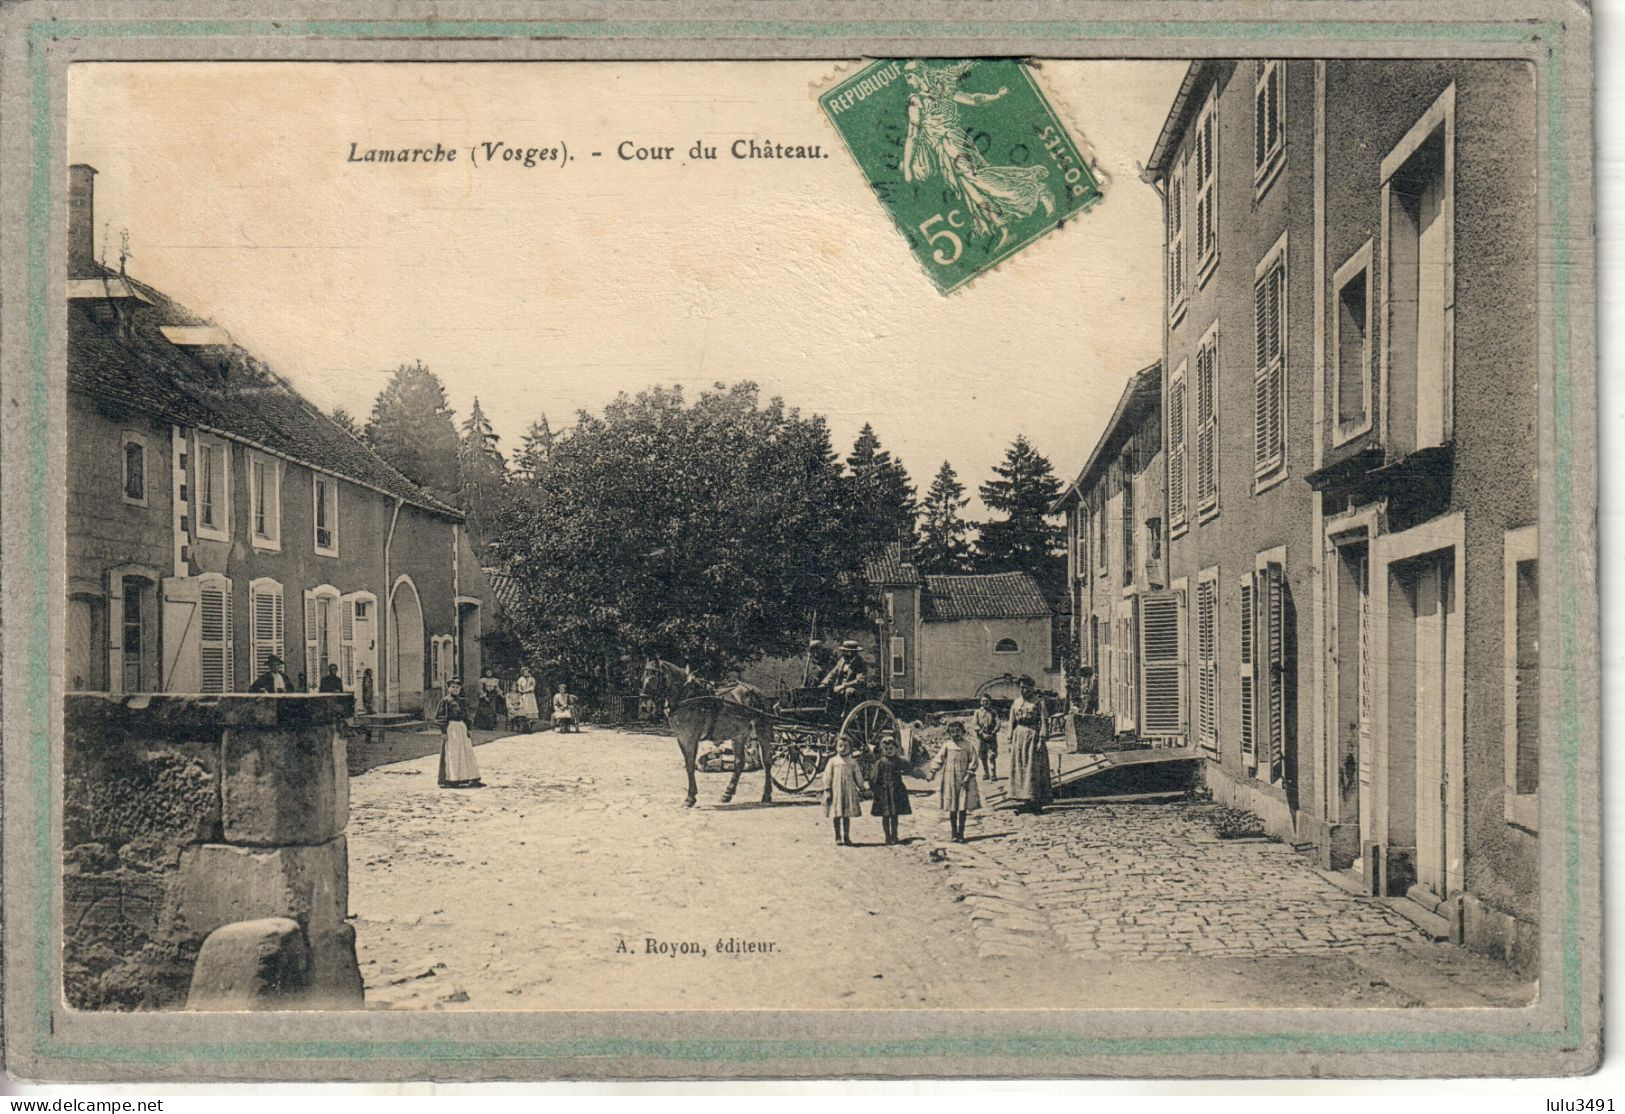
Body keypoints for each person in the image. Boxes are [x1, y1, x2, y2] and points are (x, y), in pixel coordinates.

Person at [923, 720, 982, 843]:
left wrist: (968, 775)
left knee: (962, 807)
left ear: (963, 731)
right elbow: (939, 759)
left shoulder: (968, 745)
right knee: (952, 807)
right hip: (950, 779)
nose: (955, 734)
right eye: (952, 732)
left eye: (958, 732)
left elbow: (974, 761)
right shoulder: (947, 745)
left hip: (965, 780)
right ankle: (954, 834)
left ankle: (961, 834)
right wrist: (932, 771)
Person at [1006, 675, 1053, 815]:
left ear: (1032, 688)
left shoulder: (1039, 702)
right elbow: (1011, 722)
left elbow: (1044, 722)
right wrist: (1010, 740)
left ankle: (1035, 801)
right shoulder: (1016, 702)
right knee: (1020, 768)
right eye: (1021, 688)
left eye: (1026, 688)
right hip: (1019, 737)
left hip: (1033, 736)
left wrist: (1041, 740)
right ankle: (1024, 800)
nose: (1023, 691)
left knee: (1033, 768)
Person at [434, 678, 483, 788]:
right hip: (451, 728)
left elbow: (467, 716)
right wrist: (443, 731)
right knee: (453, 752)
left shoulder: (462, 701)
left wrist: (469, 729)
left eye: (457, 687)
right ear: (449, 688)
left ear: (460, 689)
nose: (455, 689)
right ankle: (453, 779)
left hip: (462, 727)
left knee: (467, 752)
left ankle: (471, 778)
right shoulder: (445, 701)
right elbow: (439, 717)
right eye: (453, 687)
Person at [822, 736, 869, 847]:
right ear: (836, 747)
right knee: (836, 814)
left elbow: (858, 776)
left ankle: (846, 836)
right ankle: (838, 836)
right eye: (840, 746)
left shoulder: (852, 762)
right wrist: (827, 789)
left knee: (846, 815)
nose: (843, 748)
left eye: (846, 746)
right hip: (836, 791)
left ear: (851, 748)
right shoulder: (833, 761)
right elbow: (827, 775)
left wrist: (862, 787)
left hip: (848, 791)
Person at [868, 738, 913, 845]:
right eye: (886, 749)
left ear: (896, 749)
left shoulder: (899, 761)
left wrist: (923, 775)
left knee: (894, 814)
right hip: (884, 792)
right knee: (886, 814)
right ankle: (887, 837)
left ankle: (895, 835)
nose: (889, 751)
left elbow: (910, 769)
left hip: (896, 791)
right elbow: (874, 777)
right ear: (882, 750)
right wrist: (874, 789)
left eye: (891, 748)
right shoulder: (880, 762)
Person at [972, 694, 1001, 780]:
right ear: (981, 702)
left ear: (990, 702)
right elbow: (974, 724)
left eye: (987, 701)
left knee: (992, 755)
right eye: (983, 701)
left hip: (991, 737)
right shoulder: (977, 712)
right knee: (982, 755)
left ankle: (993, 774)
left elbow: (998, 723)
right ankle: (986, 773)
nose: (985, 702)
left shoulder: (993, 712)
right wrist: (981, 733)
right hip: (981, 737)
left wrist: (993, 732)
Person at [513, 666, 540, 730]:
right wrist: (521, 691)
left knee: (531, 709)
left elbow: (532, 687)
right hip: (524, 696)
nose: (526, 673)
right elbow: (519, 687)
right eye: (524, 672)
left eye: (527, 672)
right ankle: (525, 725)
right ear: (522, 672)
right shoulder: (520, 679)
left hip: (530, 696)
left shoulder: (532, 679)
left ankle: (531, 725)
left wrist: (525, 690)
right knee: (524, 709)